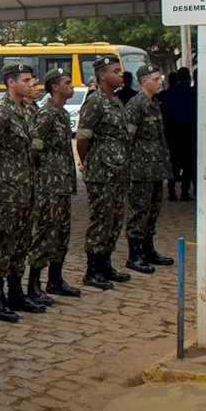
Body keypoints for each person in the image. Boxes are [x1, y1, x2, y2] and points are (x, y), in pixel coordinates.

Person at [0, 63, 46, 322]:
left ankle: (16, 294)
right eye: (27, 80)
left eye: (32, 79)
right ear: (11, 83)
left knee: (21, 243)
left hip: (25, 189)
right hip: (6, 191)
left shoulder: (27, 111)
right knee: (2, 244)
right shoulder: (1, 112)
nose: (33, 83)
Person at [77, 55, 132, 290]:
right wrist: (88, 161)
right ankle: (93, 269)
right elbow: (82, 138)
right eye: (115, 71)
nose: (121, 75)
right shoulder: (95, 102)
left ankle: (106, 264)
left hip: (118, 171)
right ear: (102, 76)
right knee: (101, 219)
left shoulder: (116, 101)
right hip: (102, 171)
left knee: (115, 218)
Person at [27, 68, 81, 298]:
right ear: (55, 87)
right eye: (67, 83)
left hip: (62, 184)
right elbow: (34, 150)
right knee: (44, 233)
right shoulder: (46, 114)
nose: (71, 86)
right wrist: (46, 175)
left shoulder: (61, 113)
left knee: (61, 233)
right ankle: (34, 284)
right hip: (49, 185)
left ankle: (55, 279)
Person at [124, 64, 174, 273]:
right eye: (155, 79)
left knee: (153, 211)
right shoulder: (136, 105)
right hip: (140, 169)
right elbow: (129, 138)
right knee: (139, 211)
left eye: (159, 78)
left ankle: (148, 250)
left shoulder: (154, 103)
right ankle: (135, 255)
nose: (159, 82)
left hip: (156, 168)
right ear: (144, 82)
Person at [163, 67, 196, 202]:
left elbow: (166, 112)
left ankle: (171, 191)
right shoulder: (193, 92)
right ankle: (184, 191)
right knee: (188, 163)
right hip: (189, 131)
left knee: (174, 162)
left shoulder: (171, 92)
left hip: (174, 132)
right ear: (188, 77)